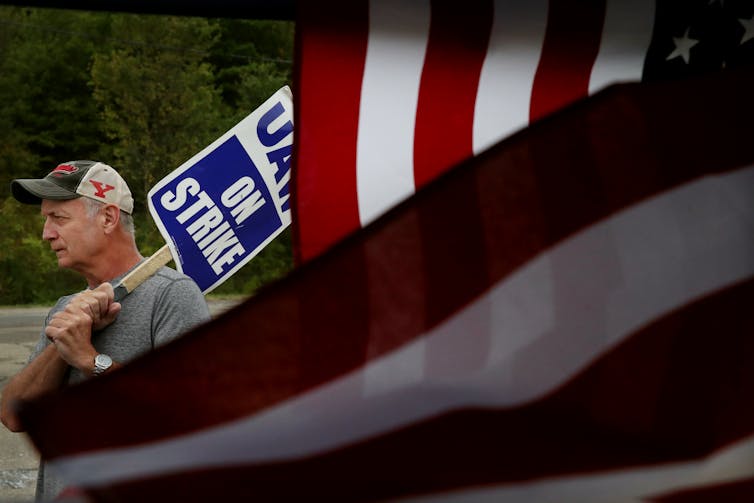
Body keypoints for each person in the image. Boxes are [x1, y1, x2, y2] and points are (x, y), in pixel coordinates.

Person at [0, 160, 211, 501]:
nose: (46, 233)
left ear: (108, 218)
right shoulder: (67, 308)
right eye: (46, 220)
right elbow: (12, 414)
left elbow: (189, 419)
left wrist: (90, 360)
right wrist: (63, 344)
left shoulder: (172, 295)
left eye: (59, 218)